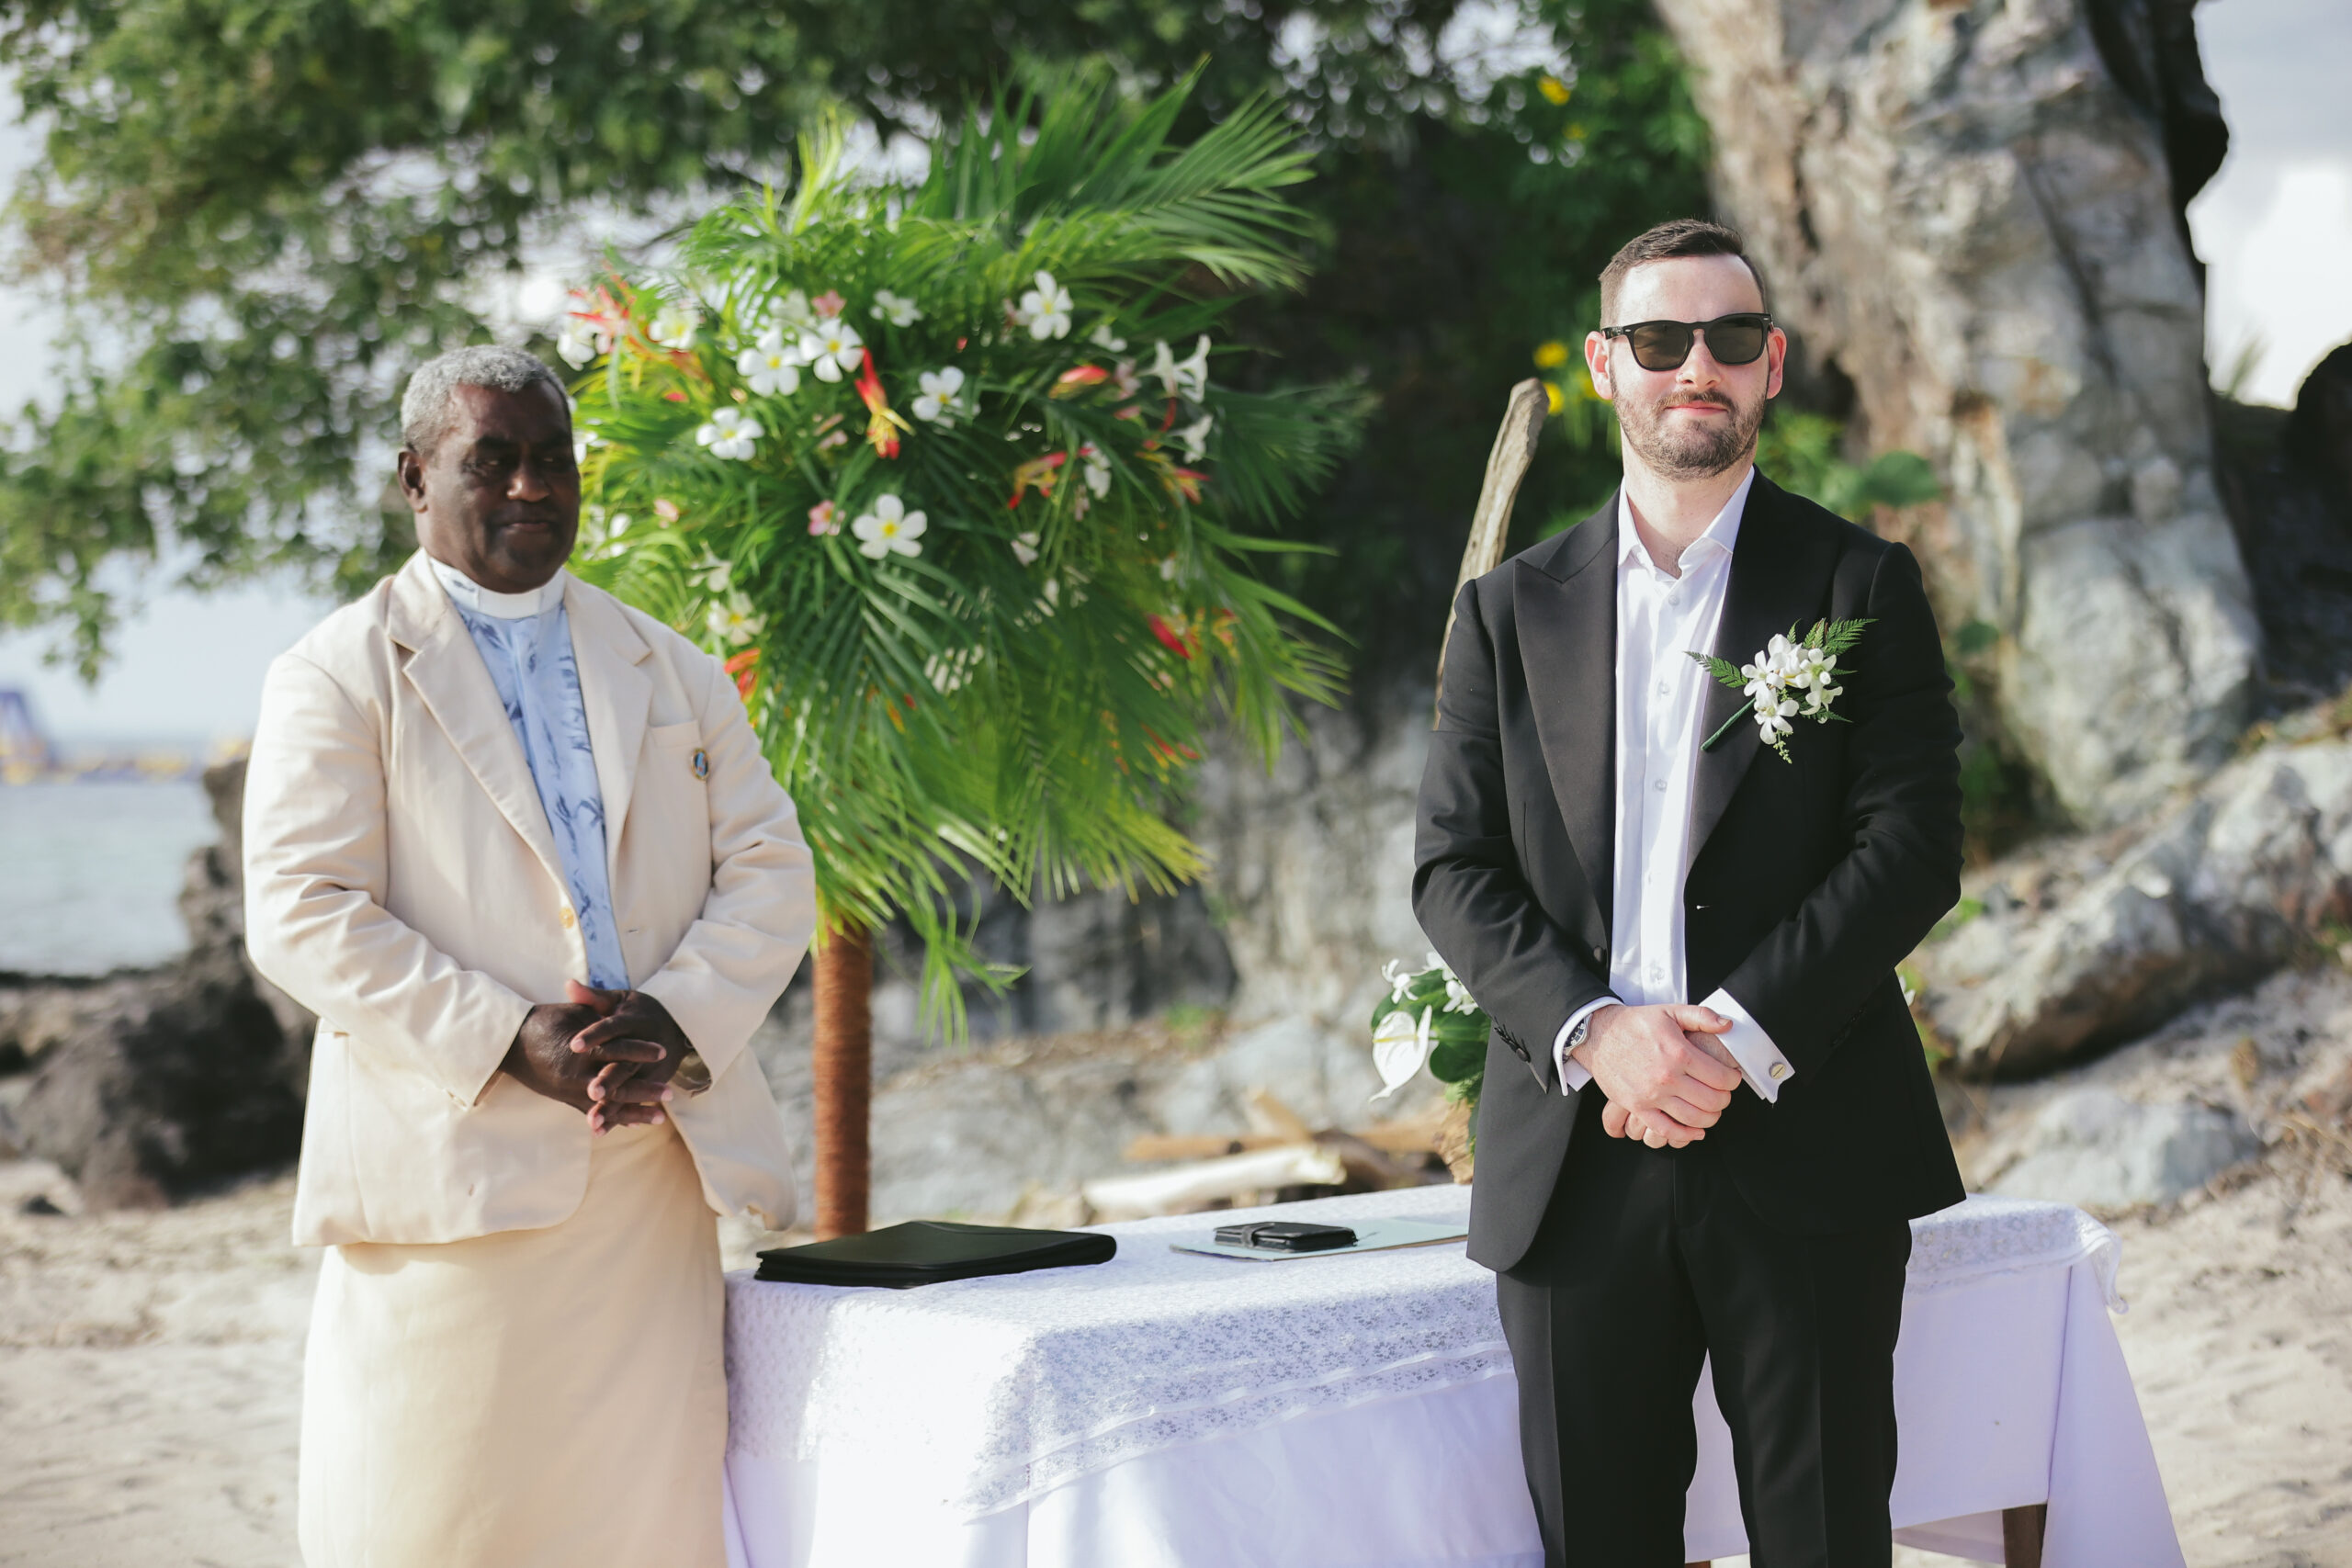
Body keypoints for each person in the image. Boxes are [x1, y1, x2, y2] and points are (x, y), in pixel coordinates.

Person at [1413, 220, 1966, 1567]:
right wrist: (1604, 1034)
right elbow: (1452, 870)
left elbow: (1912, 851)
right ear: (1607, 366)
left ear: (1772, 364)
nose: (1694, 368)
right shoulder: (1507, 612)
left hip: (1808, 1131)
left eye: (1729, 339)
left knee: (1827, 1538)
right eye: (1660, 341)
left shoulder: (1862, 584)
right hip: (1573, 1161)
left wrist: (1734, 1037)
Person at [243, 345, 816, 1568]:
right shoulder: (335, 675)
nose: (528, 488)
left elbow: (771, 871)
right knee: (430, 1523)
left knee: (645, 1529)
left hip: (651, 1177)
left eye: (551, 460)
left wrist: (675, 1018)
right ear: (414, 478)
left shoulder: (672, 666)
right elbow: (299, 906)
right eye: (490, 460)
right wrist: (508, 1036)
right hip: (450, 1186)